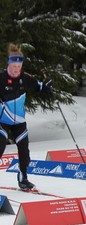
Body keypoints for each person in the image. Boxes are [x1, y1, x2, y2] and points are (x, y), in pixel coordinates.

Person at [0, 43, 52, 190]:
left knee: (24, 152)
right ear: (9, 64)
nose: (16, 69)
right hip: (2, 120)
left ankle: (23, 178)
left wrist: (47, 85)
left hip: (19, 122)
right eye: (14, 66)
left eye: (19, 66)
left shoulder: (26, 78)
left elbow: (40, 87)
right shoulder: (1, 78)